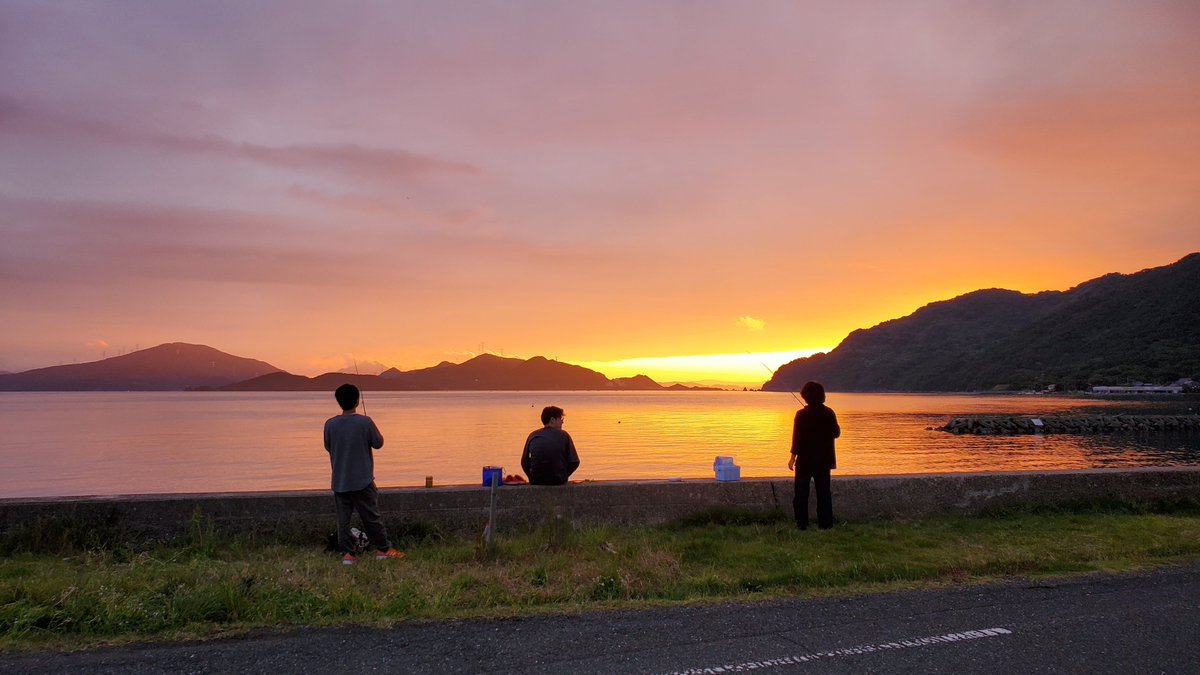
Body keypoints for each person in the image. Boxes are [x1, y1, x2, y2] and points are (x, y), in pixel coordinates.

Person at [323, 383, 404, 564]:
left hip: (340, 481)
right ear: (357, 401)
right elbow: (378, 443)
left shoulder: (330, 424)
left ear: (338, 402)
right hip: (363, 481)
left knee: (342, 520)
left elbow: (328, 447)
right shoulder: (365, 422)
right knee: (371, 518)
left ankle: (348, 555)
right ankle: (383, 549)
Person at [788, 381, 840, 530]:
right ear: (822, 396)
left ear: (805, 396)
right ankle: (825, 524)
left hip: (805, 460)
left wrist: (792, 458)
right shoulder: (829, 412)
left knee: (801, 493)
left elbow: (796, 438)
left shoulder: (801, 414)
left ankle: (802, 523)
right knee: (824, 492)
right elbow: (836, 433)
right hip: (824, 459)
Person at [521, 405, 580, 485]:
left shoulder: (533, 435)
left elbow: (524, 461)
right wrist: (563, 476)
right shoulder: (564, 435)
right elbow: (575, 461)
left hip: (536, 481)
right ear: (552, 420)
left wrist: (532, 478)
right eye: (560, 418)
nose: (562, 421)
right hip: (558, 480)